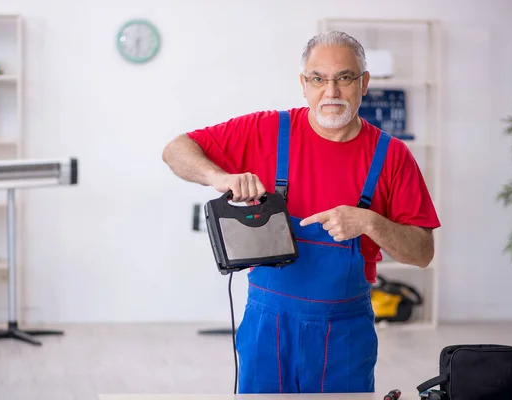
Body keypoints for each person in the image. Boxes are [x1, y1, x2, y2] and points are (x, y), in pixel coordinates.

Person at [162, 31, 440, 394]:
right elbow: (176, 150)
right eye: (318, 79)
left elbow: (422, 253)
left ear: (364, 83)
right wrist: (220, 176)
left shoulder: (391, 156)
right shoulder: (266, 130)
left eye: (344, 78)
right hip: (267, 327)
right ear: (303, 85)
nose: (331, 92)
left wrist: (370, 222)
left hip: (345, 334)